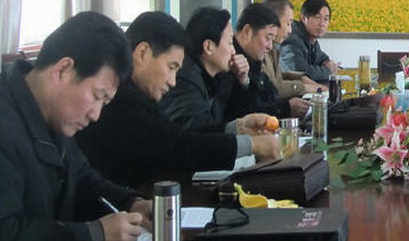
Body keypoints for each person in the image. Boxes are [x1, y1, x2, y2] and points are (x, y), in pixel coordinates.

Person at [0, 12, 151, 241]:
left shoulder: (53, 116)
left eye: (105, 103)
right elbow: (5, 236)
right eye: (97, 96)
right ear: (63, 70)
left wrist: (130, 203)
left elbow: (81, 180)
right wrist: (94, 237)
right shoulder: (6, 123)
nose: (96, 115)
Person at [76, 12, 279, 189]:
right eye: (171, 67)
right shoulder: (120, 101)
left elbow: (176, 134)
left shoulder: (138, 95)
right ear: (143, 53)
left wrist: (236, 128)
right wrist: (250, 145)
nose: (173, 81)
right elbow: (176, 146)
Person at [160, 6, 271, 134]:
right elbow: (199, 133)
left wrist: (243, 80)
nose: (233, 51)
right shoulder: (185, 80)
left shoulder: (218, 77)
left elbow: (234, 115)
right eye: (230, 43)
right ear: (208, 47)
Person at [227, 3, 311, 120]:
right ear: (247, 31)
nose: (270, 46)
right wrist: (286, 108)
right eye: (268, 38)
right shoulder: (230, 61)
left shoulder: (254, 59)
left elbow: (271, 93)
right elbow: (243, 112)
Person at [261, 0, 320, 97]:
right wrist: (304, 87)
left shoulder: (273, 47)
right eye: (288, 24)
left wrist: (301, 78)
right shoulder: (260, 49)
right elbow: (273, 87)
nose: (290, 30)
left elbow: (277, 77)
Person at [279, 0, 340, 84]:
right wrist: (329, 71)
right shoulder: (292, 39)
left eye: (326, 19)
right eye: (317, 17)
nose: (322, 23)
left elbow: (321, 58)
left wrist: (328, 62)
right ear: (304, 18)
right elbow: (300, 72)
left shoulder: (311, 39)